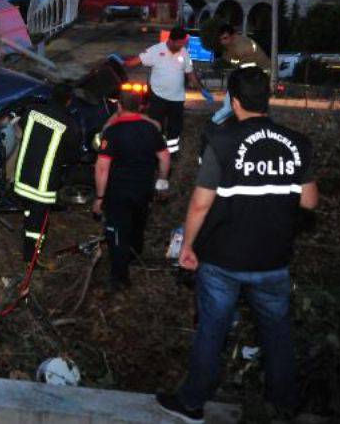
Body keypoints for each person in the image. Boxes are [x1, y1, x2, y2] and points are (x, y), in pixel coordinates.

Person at [156, 67, 319, 423]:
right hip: (274, 260)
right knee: (277, 333)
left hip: (222, 260)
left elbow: (200, 204)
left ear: (233, 101)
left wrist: (187, 247)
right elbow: (308, 202)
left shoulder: (223, 141)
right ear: (268, 98)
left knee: (212, 331)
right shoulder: (297, 143)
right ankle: (285, 404)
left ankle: (193, 402)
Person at [92, 88, 170, 290]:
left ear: (118, 106)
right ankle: (135, 255)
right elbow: (164, 157)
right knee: (138, 222)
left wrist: (99, 197)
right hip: (143, 189)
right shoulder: (151, 129)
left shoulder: (113, 130)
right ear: (141, 107)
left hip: (118, 192)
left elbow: (102, 166)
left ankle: (120, 278)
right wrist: (161, 182)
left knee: (117, 231)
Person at [13, 84, 81, 263]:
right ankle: (31, 257)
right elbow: (73, 156)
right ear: (68, 101)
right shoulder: (69, 124)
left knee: (29, 212)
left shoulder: (32, 111)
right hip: (43, 185)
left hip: (23, 176)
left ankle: (28, 237)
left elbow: (20, 129)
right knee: (37, 222)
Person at [123, 27, 209, 159]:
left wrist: (201, 89)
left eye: (183, 43)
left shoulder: (184, 53)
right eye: (179, 43)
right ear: (171, 40)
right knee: (156, 126)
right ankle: (154, 151)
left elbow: (190, 73)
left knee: (175, 128)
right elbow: (138, 60)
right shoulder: (156, 50)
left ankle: (172, 152)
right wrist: (124, 63)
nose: (181, 46)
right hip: (158, 96)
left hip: (177, 99)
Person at [211, 23, 273, 125]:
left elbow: (245, 69)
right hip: (254, 76)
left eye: (225, 38)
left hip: (257, 77)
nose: (223, 42)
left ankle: (213, 123)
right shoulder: (232, 45)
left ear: (233, 35)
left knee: (230, 106)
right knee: (254, 107)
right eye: (221, 39)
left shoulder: (243, 47)